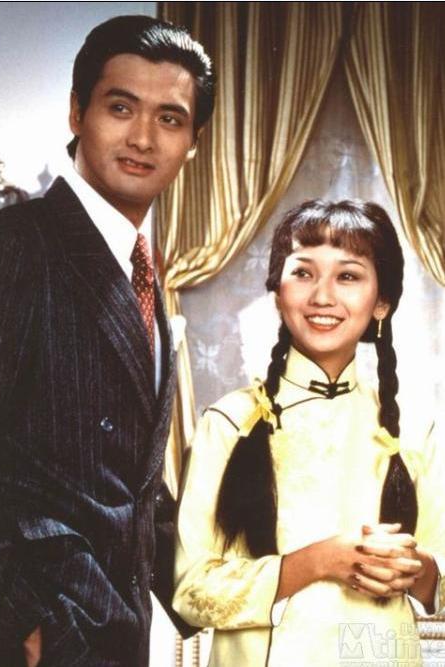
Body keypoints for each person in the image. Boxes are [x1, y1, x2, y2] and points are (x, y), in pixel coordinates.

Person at [0, 15, 214, 667]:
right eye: (120, 107)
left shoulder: (144, 269)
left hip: (116, 630)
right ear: (76, 112)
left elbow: (132, 482)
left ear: (192, 143)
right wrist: (18, 618)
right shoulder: (13, 248)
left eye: (169, 118)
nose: (142, 137)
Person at [173, 200, 444, 666]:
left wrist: (413, 569)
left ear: (382, 302)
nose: (322, 296)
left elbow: (438, 578)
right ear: (277, 292)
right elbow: (190, 592)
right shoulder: (230, 422)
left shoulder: (414, 430)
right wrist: (320, 561)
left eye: (348, 276)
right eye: (303, 273)